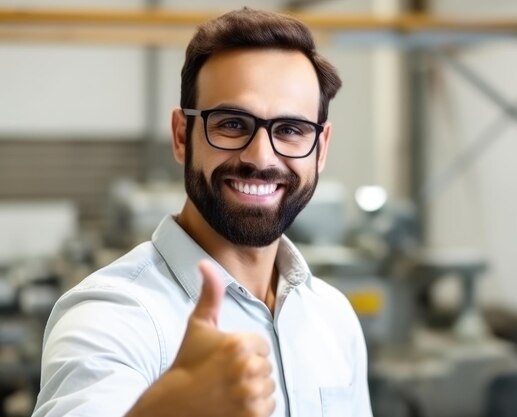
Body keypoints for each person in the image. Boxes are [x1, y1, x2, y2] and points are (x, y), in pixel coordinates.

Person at [32, 7, 372, 417]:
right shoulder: (112, 315)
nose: (260, 157)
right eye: (231, 123)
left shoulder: (332, 317)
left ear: (321, 148)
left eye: (290, 130)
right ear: (181, 136)